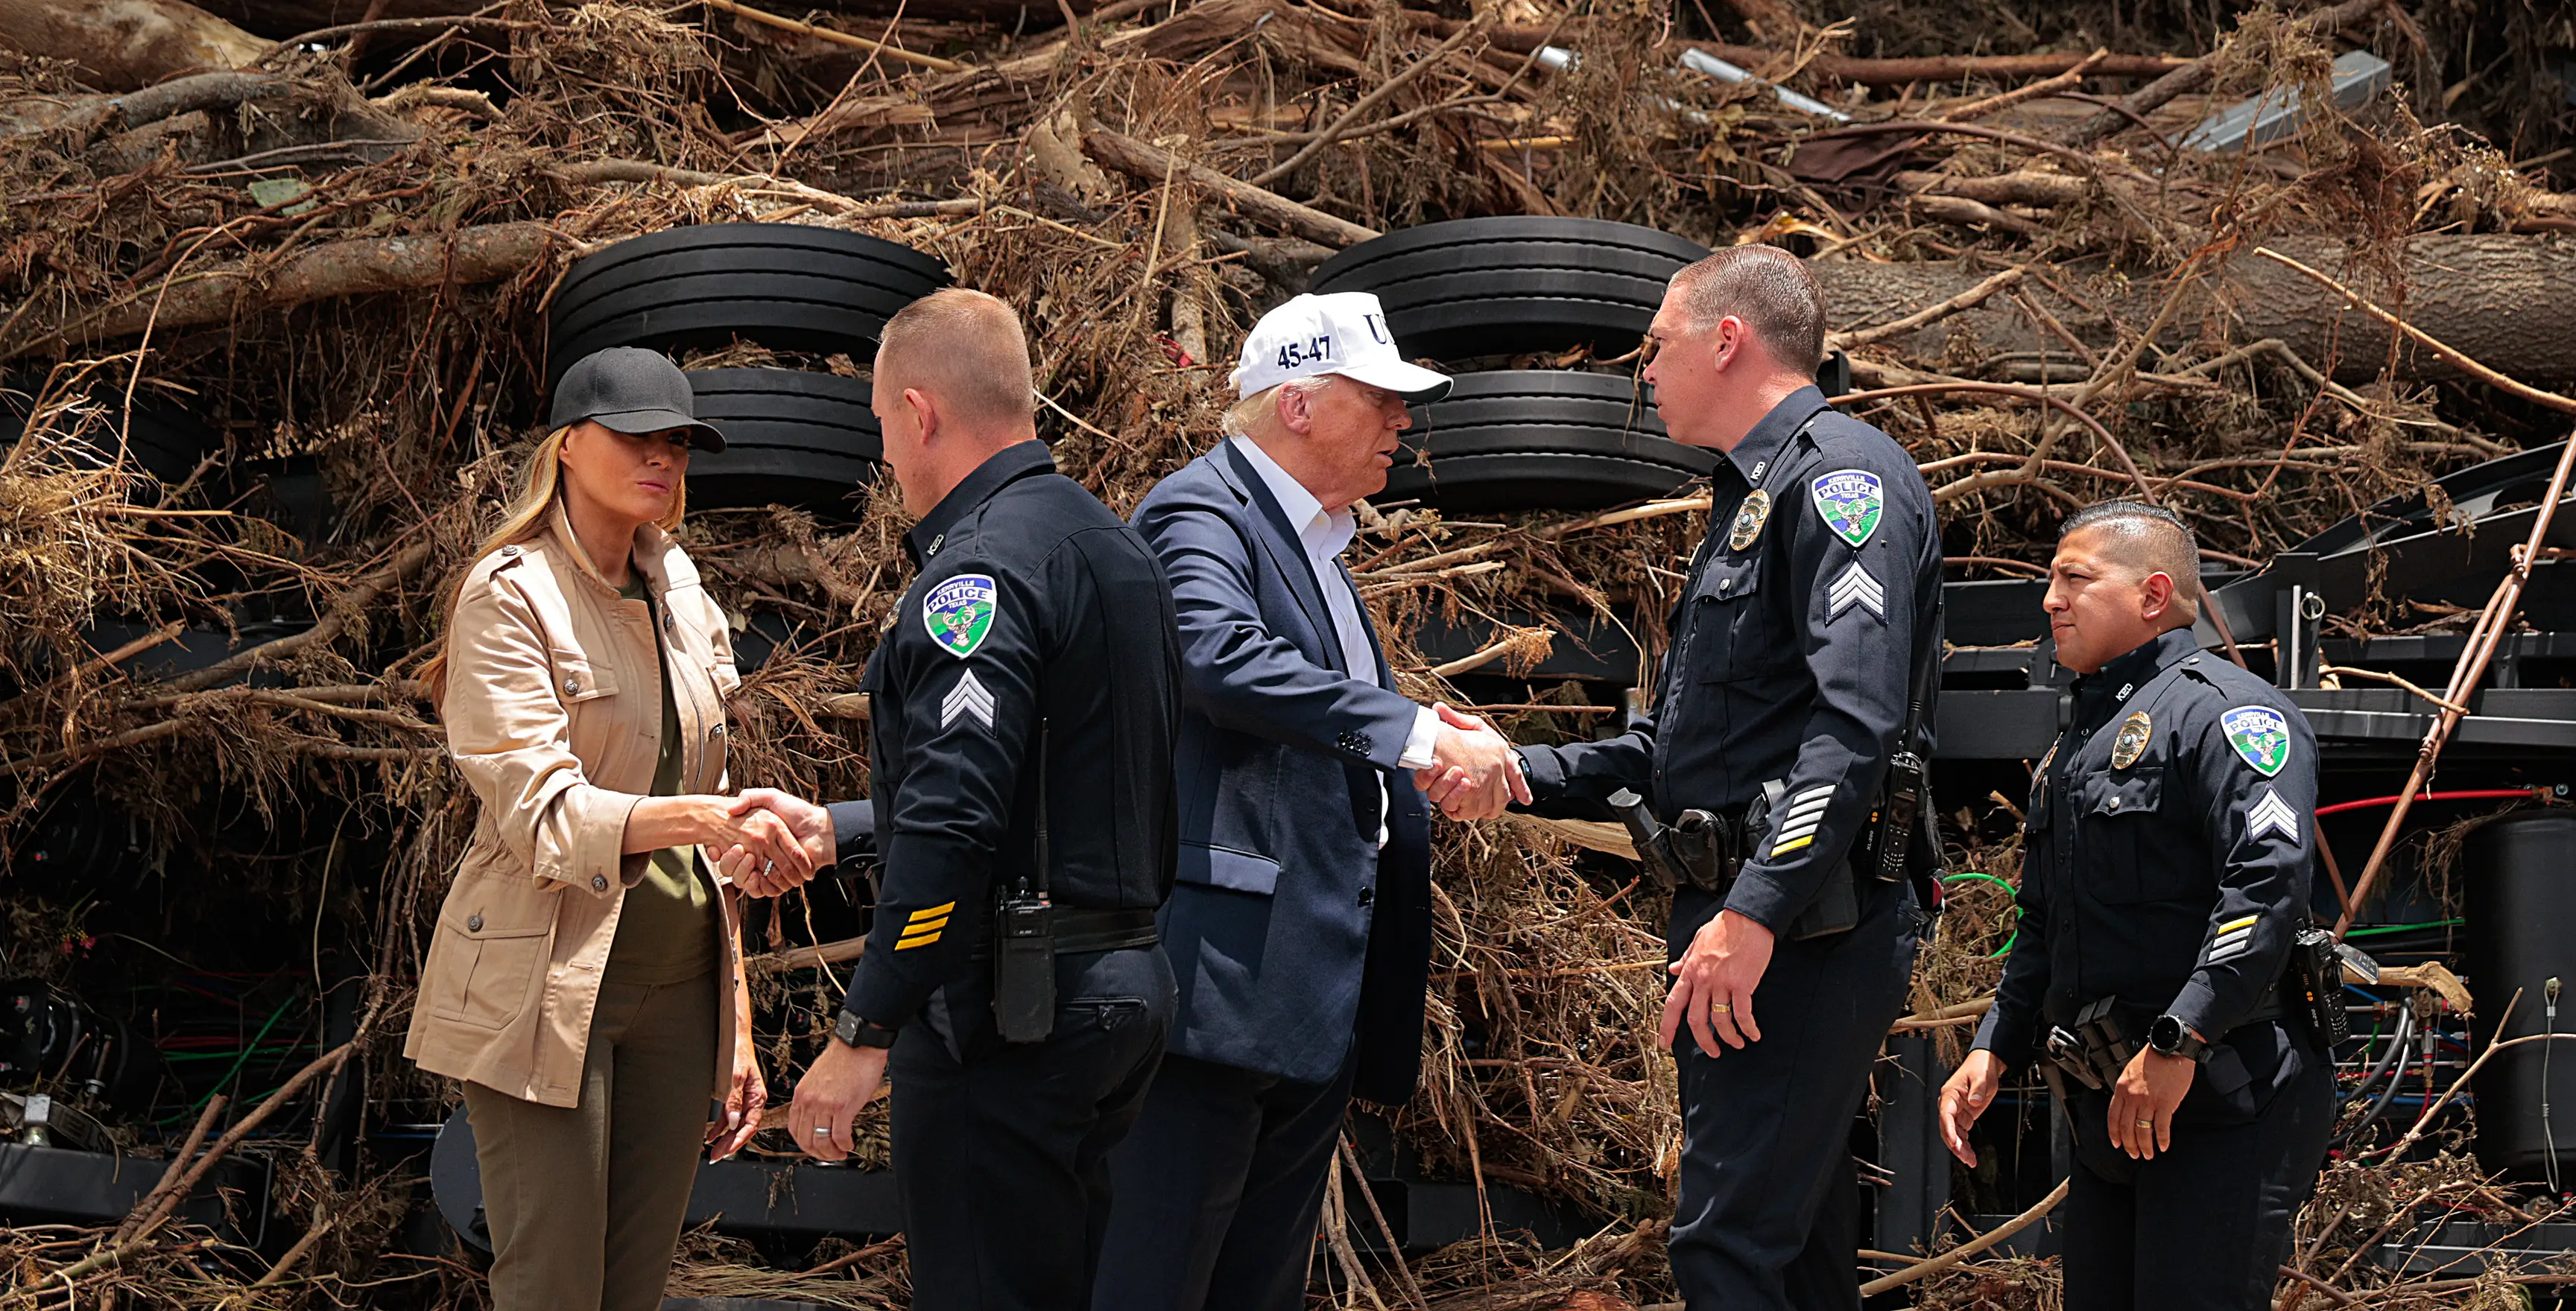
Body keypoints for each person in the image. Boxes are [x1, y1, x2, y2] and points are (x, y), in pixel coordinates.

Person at [1509, 245, 1941, 1311]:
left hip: (1803, 930)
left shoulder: (1840, 480)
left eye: (1655, 346)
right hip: (1762, 921)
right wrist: (1518, 771)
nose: (1643, 369)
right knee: (1787, 1252)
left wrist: (1754, 913)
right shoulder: (1748, 497)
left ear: (1727, 339)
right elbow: (1683, 753)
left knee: (1729, 1248)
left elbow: (1856, 723)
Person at [1093, 291, 1531, 1311]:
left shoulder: (1317, 546)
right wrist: (1419, 734)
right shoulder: (1198, 511)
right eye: (1378, 399)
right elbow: (1216, 658)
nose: (1402, 422)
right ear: (1296, 403)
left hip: (1294, 999)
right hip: (1215, 995)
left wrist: (1415, 753)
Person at [775, 288, 1183, 1311]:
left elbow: (959, 823)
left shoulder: (979, 575)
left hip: (1011, 1020)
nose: (886, 456)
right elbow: (1055, 787)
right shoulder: (1111, 546)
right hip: (1120, 990)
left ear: (920, 413)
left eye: (881, 426)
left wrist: (862, 1030)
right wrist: (843, 830)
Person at [404, 346, 821, 1311]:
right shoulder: (508, 594)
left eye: (676, 441)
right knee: (553, 1288)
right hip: (544, 984)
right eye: (636, 435)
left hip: (680, 996)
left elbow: (710, 850)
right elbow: (544, 812)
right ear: (568, 444)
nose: (662, 457)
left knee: (632, 1291)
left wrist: (740, 1029)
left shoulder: (683, 593)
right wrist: (707, 817)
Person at [1935, 501, 2329, 1311]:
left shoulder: (2228, 713)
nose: (2050, 598)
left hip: (2219, 1094)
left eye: (2075, 578)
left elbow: (2268, 882)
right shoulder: (2078, 743)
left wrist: (2182, 1036)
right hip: (2111, 1109)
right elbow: (2046, 922)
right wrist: (1994, 1048)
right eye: (2050, 579)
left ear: (2154, 596)